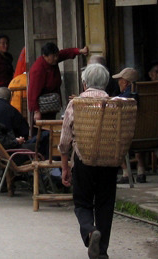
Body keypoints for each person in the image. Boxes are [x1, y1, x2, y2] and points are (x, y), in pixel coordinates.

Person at [59, 63, 119, 259]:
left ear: (84, 83)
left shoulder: (76, 104)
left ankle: (90, 231)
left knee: (82, 203)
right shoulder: (115, 104)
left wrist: (65, 167)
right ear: (106, 83)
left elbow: (65, 141)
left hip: (83, 160)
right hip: (109, 161)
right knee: (105, 204)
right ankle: (101, 252)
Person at [28, 42, 90, 122]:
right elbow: (32, 93)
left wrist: (79, 51)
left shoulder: (53, 60)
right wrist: (36, 111)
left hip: (51, 103)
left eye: (56, 56)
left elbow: (65, 53)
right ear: (45, 56)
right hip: (41, 106)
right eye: (53, 57)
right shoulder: (38, 69)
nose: (56, 58)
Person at [113, 67, 146, 184]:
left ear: (125, 82)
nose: (118, 82)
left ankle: (126, 173)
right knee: (138, 133)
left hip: (128, 134)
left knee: (113, 137)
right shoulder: (146, 94)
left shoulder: (127, 96)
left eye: (120, 80)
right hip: (145, 134)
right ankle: (141, 170)